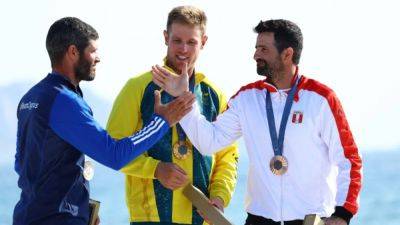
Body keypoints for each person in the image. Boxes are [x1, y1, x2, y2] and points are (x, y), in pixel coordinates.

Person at [152, 19, 363, 225]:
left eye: (263, 49)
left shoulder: (321, 99)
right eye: (256, 48)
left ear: (287, 54)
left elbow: (349, 158)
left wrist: (343, 213)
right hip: (259, 220)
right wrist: (183, 97)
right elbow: (209, 142)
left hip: (310, 219)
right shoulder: (246, 99)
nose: (255, 55)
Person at [13, 17, 195, 225]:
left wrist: (79, 207)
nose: (98, 58)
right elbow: (114, 155)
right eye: (93, 51)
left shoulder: (30, 98)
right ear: (73, 52)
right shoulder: (64, 101)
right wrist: (162, 121)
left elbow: (22, 165)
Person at [106, 6, 239, 225]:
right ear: (165, 37)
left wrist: (219, 197)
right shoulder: (137, 88)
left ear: (204, 42)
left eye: (192, 42)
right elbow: (112, 149)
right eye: (177, 40)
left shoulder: (215, 95)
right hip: (149, 220)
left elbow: (228, 156)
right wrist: (156, 170)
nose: (183, 49)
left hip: (202, 220)